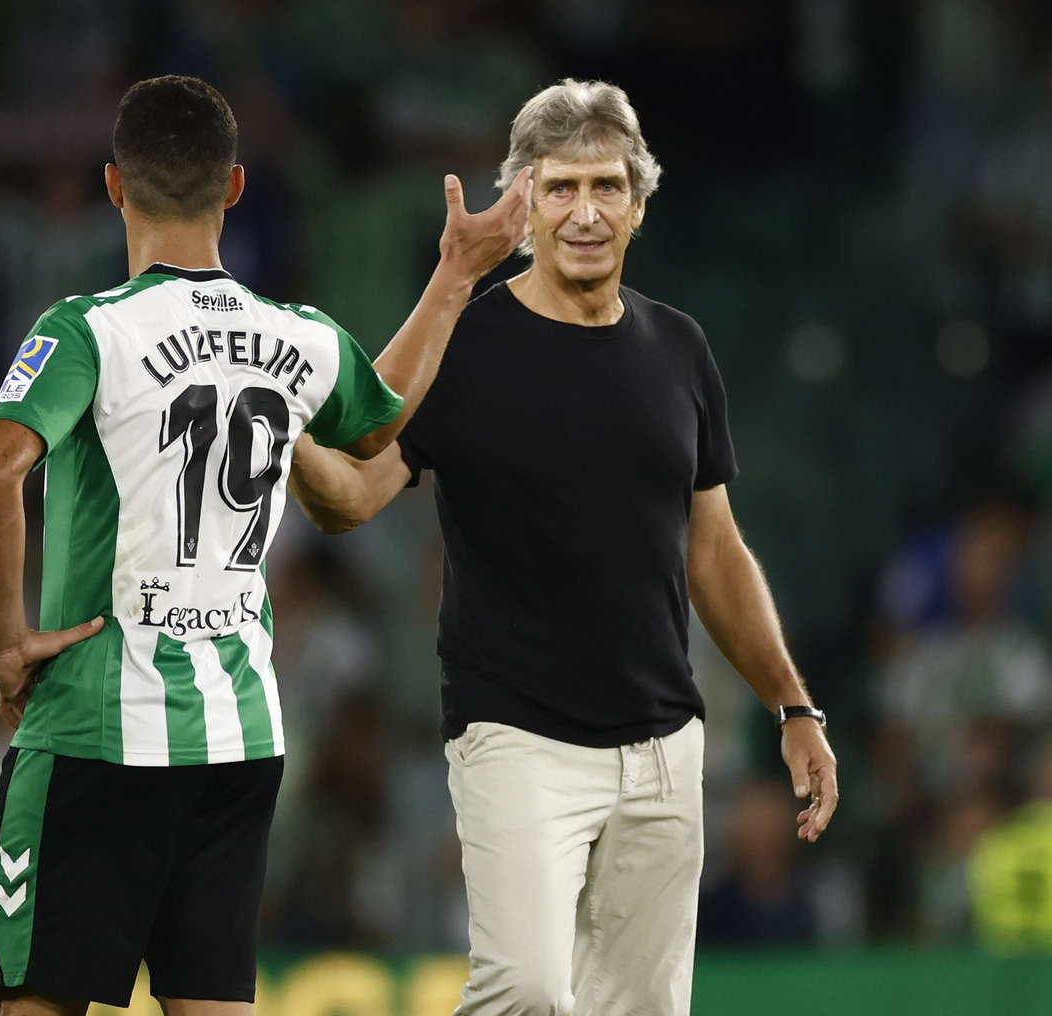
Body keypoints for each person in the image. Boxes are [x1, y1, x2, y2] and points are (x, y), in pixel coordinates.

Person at [0, 75, 528, 1015]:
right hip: (240, 734)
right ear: (233, 186)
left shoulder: (86, 330)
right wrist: (455, 275)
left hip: (99, 727)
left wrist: (5, 642)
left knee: (35, 1001)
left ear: (113, 186)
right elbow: (377, 422)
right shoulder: (293, 332)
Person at [288, 78, 841, 1016]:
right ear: (524, 203)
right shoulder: (464, 341)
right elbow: (350, 497)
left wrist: (793, 705)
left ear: (638, 203)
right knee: (526, 990)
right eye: (561, 189)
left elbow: (715, 551)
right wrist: (286, 429)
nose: (586, 212)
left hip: (664, 746)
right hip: (516, 738)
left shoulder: (680, 348)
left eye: (607, 187)